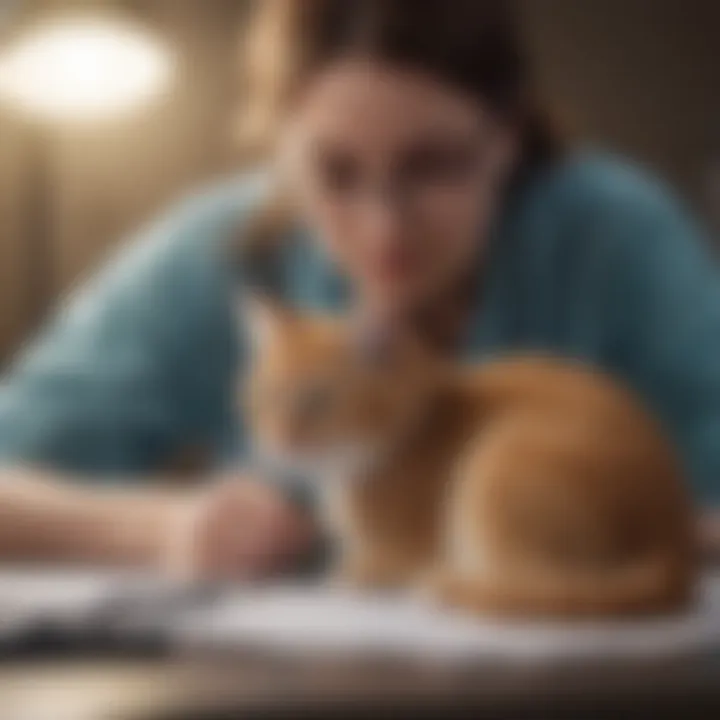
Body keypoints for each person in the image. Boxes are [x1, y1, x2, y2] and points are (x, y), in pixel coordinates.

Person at [0, 0, 719, 577]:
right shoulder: (222, 252)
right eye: (335, 174)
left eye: (432, 166)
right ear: (278, 147)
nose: (384, 231)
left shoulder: (613, 234)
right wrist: (160, 530)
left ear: (508, 135)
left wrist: (607, 528)